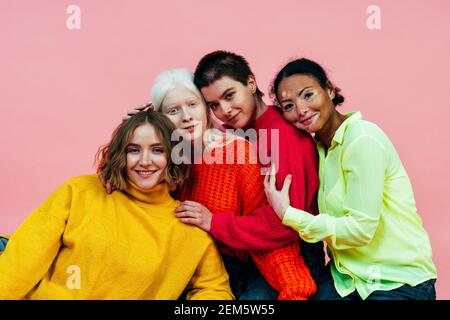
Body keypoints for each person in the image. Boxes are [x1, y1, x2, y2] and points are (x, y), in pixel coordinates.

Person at [120, 68, 317, 300]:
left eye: (193, 105)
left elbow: (265, 232)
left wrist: (294, 288)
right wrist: (129, 132)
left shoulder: (235, 152)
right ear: (161, 118)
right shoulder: (162, 158)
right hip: (174, 270)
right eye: (173, 110)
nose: (186, 116)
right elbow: (115, 182)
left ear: (206, 109)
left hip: (234, 273)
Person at [0, 111, 233, 300]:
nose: (144, 161)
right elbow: (23, 258)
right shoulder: (80, 191)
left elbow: (215, 290)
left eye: (157, 150)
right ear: (121, 154)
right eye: (134, 150)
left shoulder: (189, 230)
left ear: (173, 155)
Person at [264, 57, 438, 300]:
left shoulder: (362, 139)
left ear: (330, 90)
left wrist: (288, 214)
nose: (301, 109)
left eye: (308, 95)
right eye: (288, 105)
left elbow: (360, 230)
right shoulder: (317, 149)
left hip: (397, 281)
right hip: (345, 279)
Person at [177, 51, 325, 286]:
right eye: (214, 105)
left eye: (229, 95)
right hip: (248, 252)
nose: (224, 110)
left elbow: (285, 224)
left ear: (251, 83)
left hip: (291, 255)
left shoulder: (285, 137)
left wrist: (214, 222)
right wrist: (154, 118)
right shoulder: (235, 133)